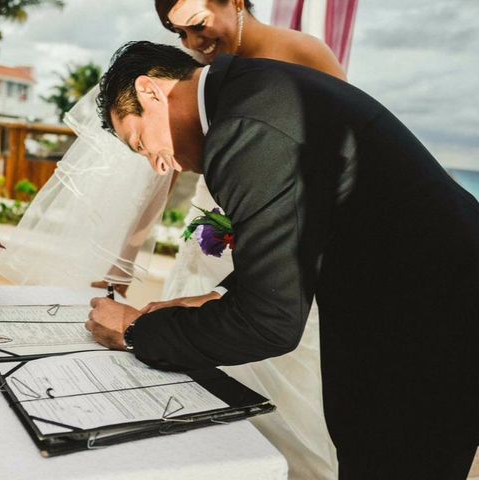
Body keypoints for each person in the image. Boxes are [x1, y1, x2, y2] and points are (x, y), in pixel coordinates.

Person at [87, 41, 479, 479]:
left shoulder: (244, 127)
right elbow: (297, 237)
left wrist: (135, 330)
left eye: (141, 142)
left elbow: (268, 323)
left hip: (423, 344)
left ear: (151, 91)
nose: (158, 167)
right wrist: (213, 297)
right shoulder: (251, 90)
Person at [147, 1, 346, 478]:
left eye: (197, 26)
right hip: (208, 242)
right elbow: (167, 166)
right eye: (180, 35)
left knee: (288, 377)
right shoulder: (195, 76)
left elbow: (345, 148)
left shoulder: (304, 51)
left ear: (235, 2)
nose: (194, 44)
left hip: (285, 244)